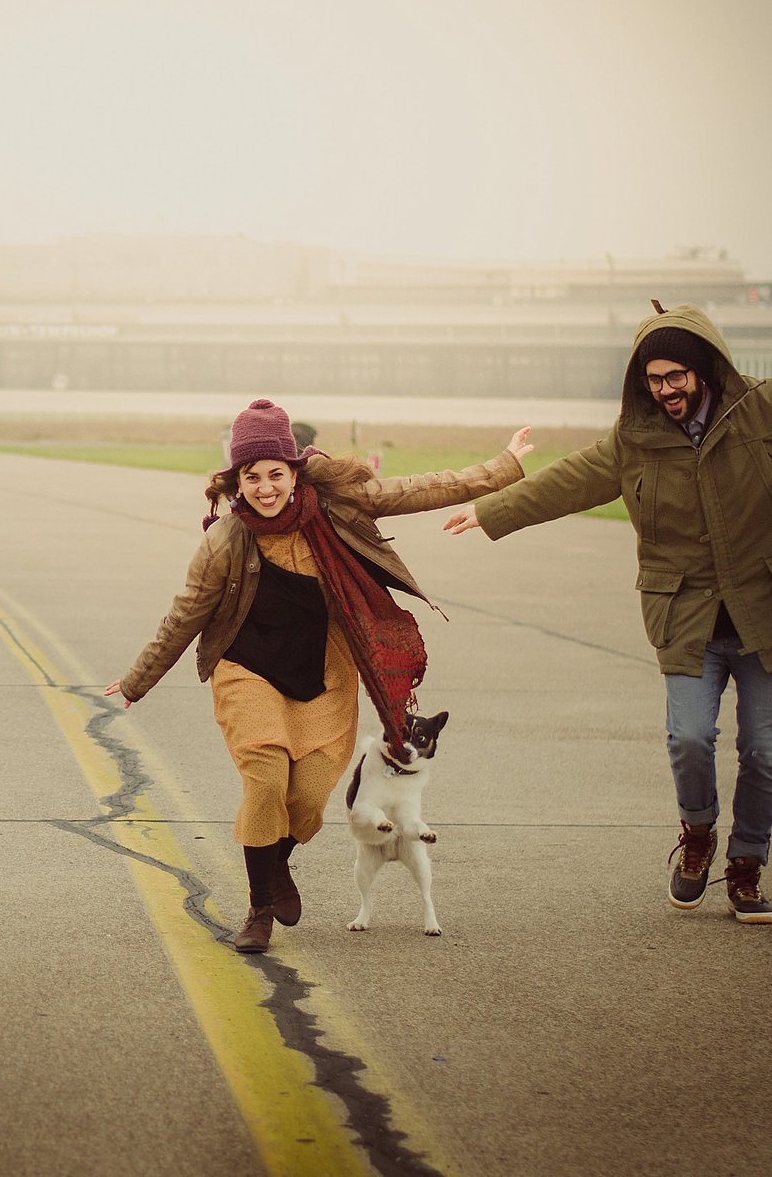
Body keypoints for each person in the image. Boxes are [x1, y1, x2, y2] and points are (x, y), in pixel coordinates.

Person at [446, 302, 772, 923]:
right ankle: (698, 834)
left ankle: (746, 867)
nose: (665, 389)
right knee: (689, 738)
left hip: (768, 616)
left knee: (763, 752)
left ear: (704, 368)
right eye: (653, 379)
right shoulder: (636, 440)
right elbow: (568, 480)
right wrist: (491, 510)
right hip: (688, 620)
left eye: (675, 376)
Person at [109, 399, 530, 954]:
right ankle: (259, 910)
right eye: (252, 477)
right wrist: (138, 679)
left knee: (307, 796)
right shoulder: (225, 539)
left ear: (295, 471)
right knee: (265, 780)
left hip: (326, 669)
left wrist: (503, 466)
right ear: (237, 480)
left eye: (274, 474)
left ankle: (276, 861)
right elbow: (186, 613)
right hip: (248, 669)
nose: (264, 488)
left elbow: (420, 489)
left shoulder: (338, 507)